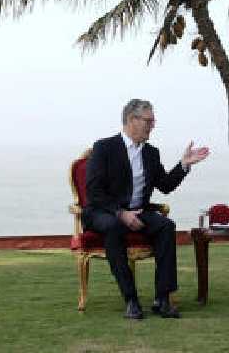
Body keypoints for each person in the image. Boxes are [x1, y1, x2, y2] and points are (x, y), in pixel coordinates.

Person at [82, 99, 209, 320]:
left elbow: (166, 185)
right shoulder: (104, 148)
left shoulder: (151, 153)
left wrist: (184, 164)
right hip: (105, 212)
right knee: (114, 227)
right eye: (148, 121)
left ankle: (162, 299)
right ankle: (131, 300)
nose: (152, 126)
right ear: (132, 119)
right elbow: (94, 192)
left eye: (153, 121)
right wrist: (121, 213)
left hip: (139, 211)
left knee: (166, 226)